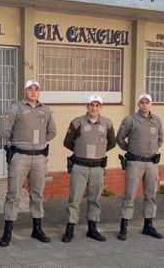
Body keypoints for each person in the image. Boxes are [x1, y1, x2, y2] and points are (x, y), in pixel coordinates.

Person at [0, 80, 56, 246]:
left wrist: (37, 142)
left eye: (36, 89)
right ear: (25, 91)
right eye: (30, 88)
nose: (33, 91)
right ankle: (7, 231)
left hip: (39, 158)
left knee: (37, 194)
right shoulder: (16, 108)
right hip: (20, 156)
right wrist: (21, 140)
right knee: (13, 194)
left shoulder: (45, 110)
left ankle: (37, 229)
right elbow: (4, 132)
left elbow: (52, 132)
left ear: (39, 92)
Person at [61, 94, 117, 243]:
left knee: (95, 199)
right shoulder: (76, 123)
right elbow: (67, 142)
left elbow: (112, 143)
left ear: (101, 108)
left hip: (98, 167)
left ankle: (92, 229)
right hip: (80, 166)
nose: (94, 108)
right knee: (75, 199)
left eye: (97, 105)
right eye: (91, 105)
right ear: (87, 106)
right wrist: (81, 152)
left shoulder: (107, 124)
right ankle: (70, 229)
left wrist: (98, 152)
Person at [116, 93, 164, 241]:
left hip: (151, 163)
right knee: (129, 195)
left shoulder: (157, 120)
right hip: (135, 162)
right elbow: (119, 138)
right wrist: (131, 149)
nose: (144, 105)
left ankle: (148, 226)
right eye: (142, 102)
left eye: (147, 102)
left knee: (151, 195)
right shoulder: (130, 120)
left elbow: (160, 139)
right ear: (138, 104)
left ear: (151, 104)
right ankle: (124, 226)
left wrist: (151, 151)